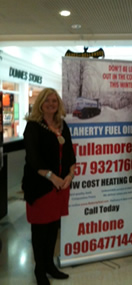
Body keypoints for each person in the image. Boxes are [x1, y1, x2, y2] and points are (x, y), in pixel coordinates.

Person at [22, 88, 76, 285]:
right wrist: (53, 177)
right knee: (40, 230)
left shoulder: (63, 125)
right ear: (41, 103)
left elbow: (70, 152)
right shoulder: (33, 126)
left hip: (61, 186)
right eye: (47, 101)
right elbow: (33, 159)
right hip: (41, 187)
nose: (51, 104)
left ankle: (50, 265)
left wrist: (70, 174)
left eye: (54, 100)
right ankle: (40, 270)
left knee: (54, 227)